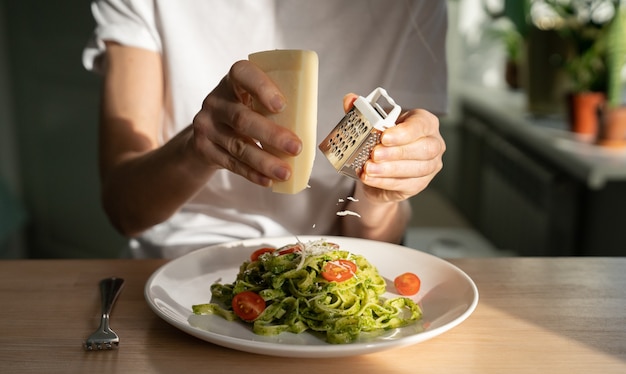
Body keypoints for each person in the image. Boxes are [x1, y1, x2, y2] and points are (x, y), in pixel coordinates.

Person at [82, 0, 448, 259]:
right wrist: (194, 150)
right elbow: (124, 209)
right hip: (172, 270)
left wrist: (378, 195)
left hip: (325, 266)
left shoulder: (411, 7)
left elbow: (377, 233)